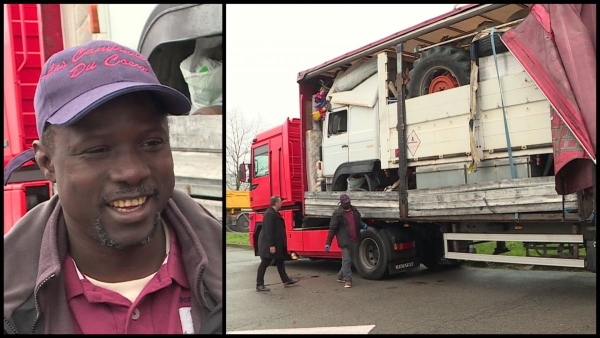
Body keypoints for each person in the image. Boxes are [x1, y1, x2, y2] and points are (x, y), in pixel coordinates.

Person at [3, 40, 222, 334]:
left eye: (151, 143)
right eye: (96, 150)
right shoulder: (12, 304)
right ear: (47, 162)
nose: (132, 172)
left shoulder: (223, 274)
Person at [256, 196, 298, 292]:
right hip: (269, 244)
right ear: (276, 203)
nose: (281, 203)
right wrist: (271, 245)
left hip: (277, 244)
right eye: (280, 202)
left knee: (280, 261)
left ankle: (286, 280)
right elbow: (268, 231)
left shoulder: (274, 213)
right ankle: (259, 284)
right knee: (265, 263)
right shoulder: (269, 214)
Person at [325, 194, 367, 288]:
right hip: (345, 241)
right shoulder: (338, 214)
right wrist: (328, 243)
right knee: (347, 260)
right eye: (346, 202)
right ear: (341, 203)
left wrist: (363, 225)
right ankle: (348, 280)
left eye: (348, 202)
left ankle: (340, 276)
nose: (348, 204)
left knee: (349, 260)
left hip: (355, 239)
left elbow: (358, 221)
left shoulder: (354, 210)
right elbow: (332, 229)